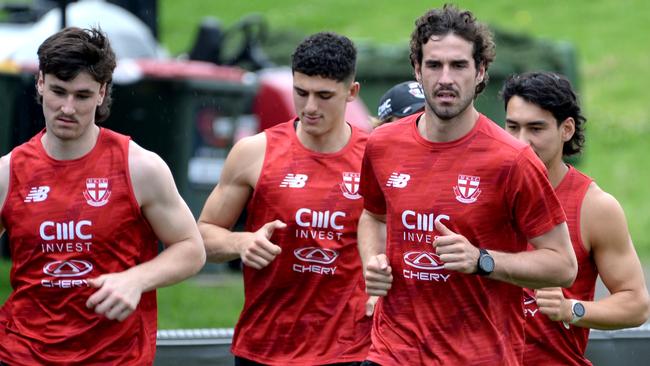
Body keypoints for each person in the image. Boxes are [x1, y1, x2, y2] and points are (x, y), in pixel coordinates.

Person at [357, 5, 578, 365]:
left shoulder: (513, 160)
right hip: (392, 351)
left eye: (458, 65)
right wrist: (373, 261)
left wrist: (482, 260)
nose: (446, 78)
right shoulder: (382, 144)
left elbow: (563, 266)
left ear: (480, 72)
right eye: (434, 65)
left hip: (477, 355)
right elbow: (373, 216)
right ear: (417, 69)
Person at [0, 27, 206, 364]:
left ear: (102, 93)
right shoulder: (9, 172)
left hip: (115, 355)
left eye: (82, 96)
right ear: (39, 83)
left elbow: (191, 249)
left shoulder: (139, 167)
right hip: (22, 352)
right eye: (58, 91)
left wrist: (136, 279)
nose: (67, 108)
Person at [198, 32, 371, 365]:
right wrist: (241, 243)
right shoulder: (254, 152)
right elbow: (202, 236)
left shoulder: (375, 155)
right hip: (265, 347)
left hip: (350, 350)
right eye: (300, 92)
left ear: (351, 93)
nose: (310, 107)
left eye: (324, 96)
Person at [501, 71, 650, 365]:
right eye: (512, 127)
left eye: (536, 128)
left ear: (566, 129)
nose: (521, 141)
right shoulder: (479, 194)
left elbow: (636, 304)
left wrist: (571, 309)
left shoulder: (595, 207)